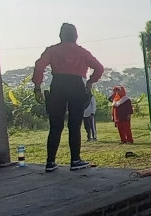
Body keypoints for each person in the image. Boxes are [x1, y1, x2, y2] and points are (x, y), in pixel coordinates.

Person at [33, 22, 104, 172]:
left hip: (58, 85)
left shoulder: (52, 50)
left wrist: (37, 87)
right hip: (76, 86)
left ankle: (50, 162)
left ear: (60, 36)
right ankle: (75, 160)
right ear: (76, 36)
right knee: (75, 124)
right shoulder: (82, 52)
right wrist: (90, 82)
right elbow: (99, 68)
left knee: (55, 125)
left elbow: (39, 66)